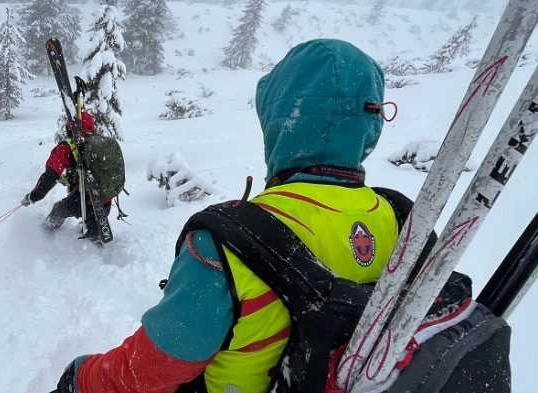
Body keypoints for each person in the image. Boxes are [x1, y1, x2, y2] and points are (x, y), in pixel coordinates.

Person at [52, 39, 510, 393]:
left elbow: (152, 368)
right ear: (370, 126)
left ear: (279, 121)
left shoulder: (225, 242)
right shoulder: (401, 219)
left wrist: (82, 376)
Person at [21, 112, 112, 239]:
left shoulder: (66, 147)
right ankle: (96, 243)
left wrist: (32, 196)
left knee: (59, 209)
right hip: (105, 200)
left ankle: (43, 235)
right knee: (93, 236)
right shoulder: (99, 143)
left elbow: (49, 177)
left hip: (86, 200)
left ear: (70, 128)